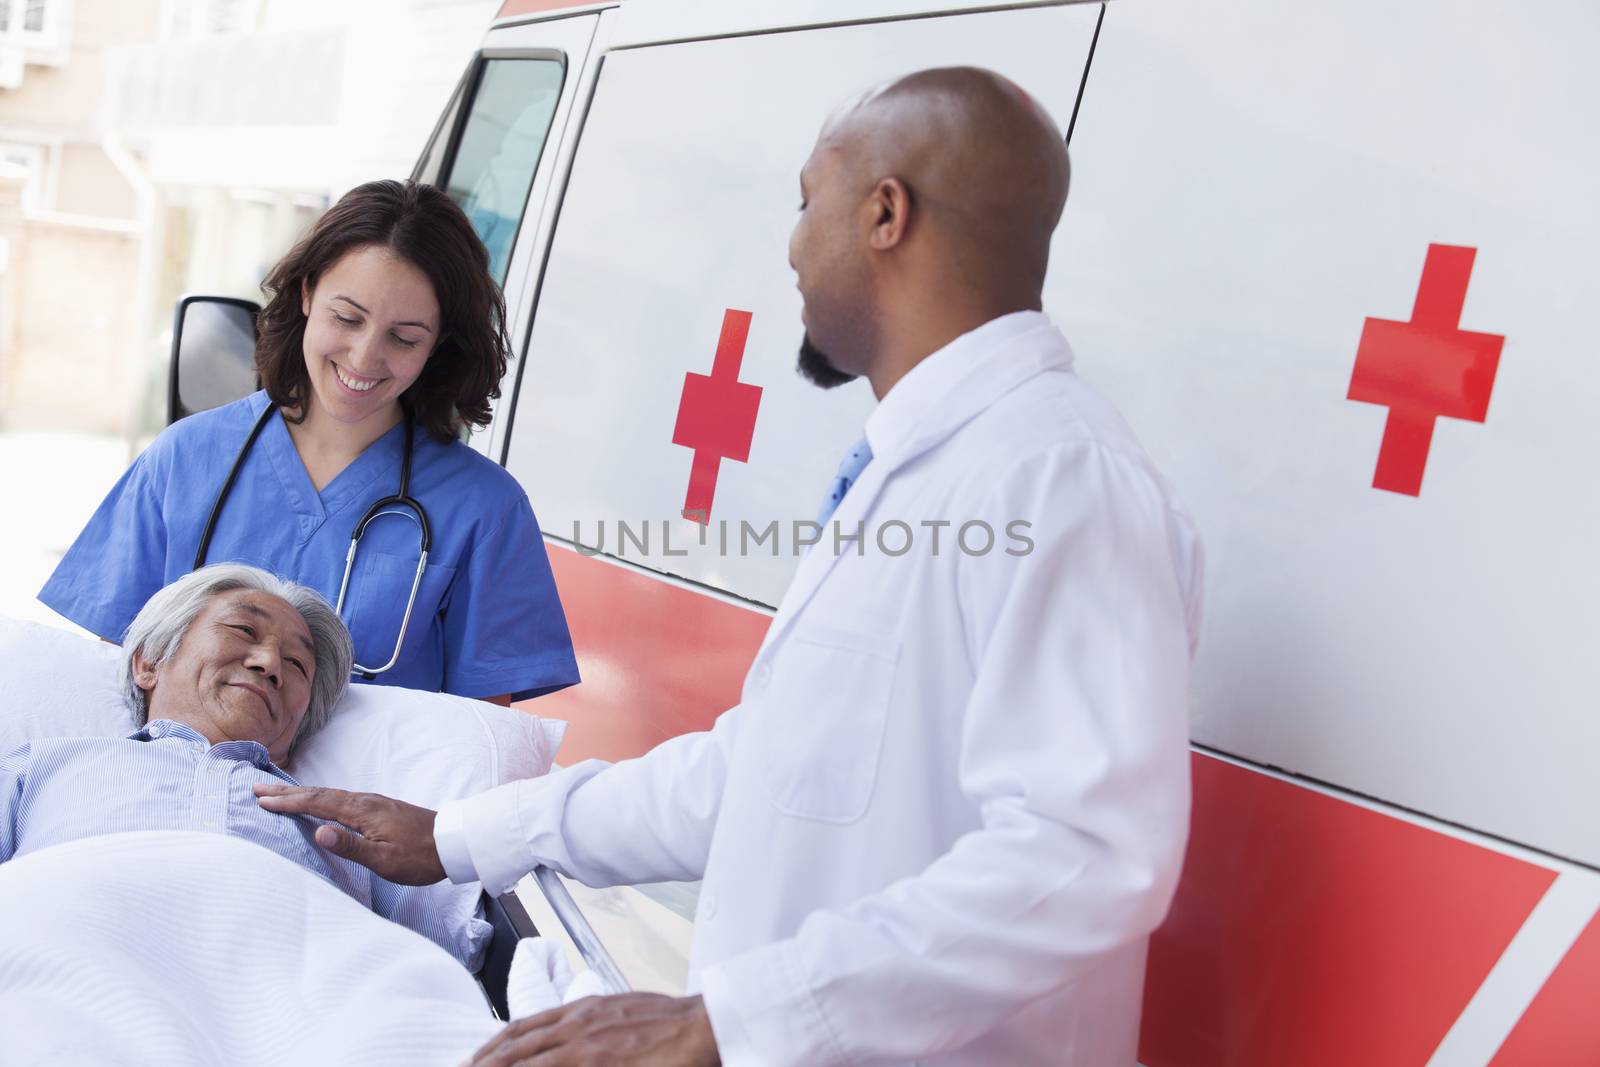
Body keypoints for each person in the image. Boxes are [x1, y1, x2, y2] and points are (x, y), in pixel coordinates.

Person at [257, 67, 1205, 1065]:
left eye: (808, 203)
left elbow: (1086, 855)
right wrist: (460, 836)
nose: (793, 247)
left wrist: (732, 1018)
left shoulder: (1059, 477)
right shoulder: (929, 467)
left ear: (884, 214)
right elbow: (764, 769)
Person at [40, 180, 579, 703]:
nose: (365, 358)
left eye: (404, 337)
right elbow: (110, 684)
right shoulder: (184, 459)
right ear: (307, 292)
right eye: (346, 318)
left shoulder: (483, 510)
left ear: (439, 344)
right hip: (177, 787)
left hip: (364, 794)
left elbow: (479, 748)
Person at [2, 564, 488, 967]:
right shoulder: (46, 767)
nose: (270, 663)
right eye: (243, 630)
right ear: (148, 663)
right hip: (69, 958)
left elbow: (440, 966)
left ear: (299, 724)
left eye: (297, 665)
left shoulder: (346, 831)